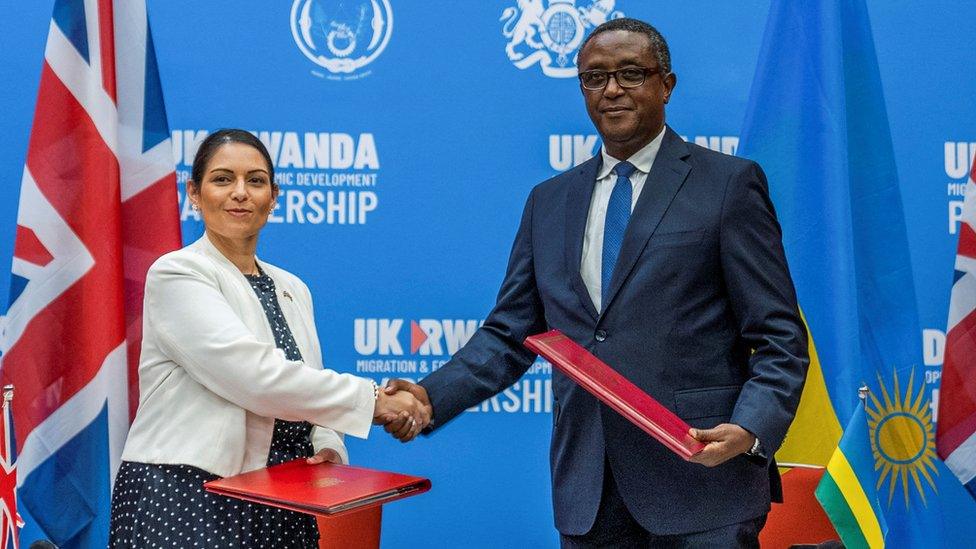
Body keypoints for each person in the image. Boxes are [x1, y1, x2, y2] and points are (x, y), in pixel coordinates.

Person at [384, 18, 808, 547]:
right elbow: (510, 332)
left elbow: (779, 337)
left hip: (702, 479)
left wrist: (750, 427)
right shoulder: (549, 200)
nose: (611, 90)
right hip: (589, 487)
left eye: (631, 73)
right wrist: (429, 396)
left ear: (666, 85)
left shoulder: (728, 184)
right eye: (594, 77)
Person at [108, 129, 429, 548]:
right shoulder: (178, 273)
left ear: (273, 196)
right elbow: (255, 378)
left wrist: (328, 447)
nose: (240, 193)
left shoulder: (292, 286)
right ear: (194, 192)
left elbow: (307, 388)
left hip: (284, 504)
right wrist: (377, 401)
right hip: (189, 493)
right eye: (222, 179)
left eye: (255, 181)